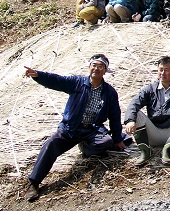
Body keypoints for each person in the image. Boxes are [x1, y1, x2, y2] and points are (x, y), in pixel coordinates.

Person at [24, 55, 125, 202]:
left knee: (106, 142)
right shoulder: (77, 83)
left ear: (105, 71)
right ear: (90, 67)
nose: (96, 69)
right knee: (51, 144)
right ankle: (34, 182)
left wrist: (117, 139)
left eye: (100, 67)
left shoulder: (109, 92)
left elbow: (115, 116)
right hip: (70, 128)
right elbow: (57, 80)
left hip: (92, 130)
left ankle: (86, 148)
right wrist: (39, 75)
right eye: (94, 65)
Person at [124, 56, 170, 167]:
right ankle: (145, 151)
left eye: (166, 70)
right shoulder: (150, 89)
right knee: (137, 115)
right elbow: (134, 103)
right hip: (154, 131)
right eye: (160, 70)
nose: (163, 73)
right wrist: (130, 120)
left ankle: (167, 150)